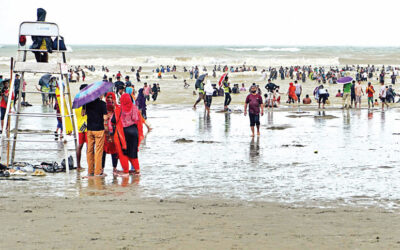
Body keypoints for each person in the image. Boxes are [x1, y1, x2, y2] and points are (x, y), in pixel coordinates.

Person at [111, 93, 143, 176]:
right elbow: (136, 119)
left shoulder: (119, 109)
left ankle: (125, 171)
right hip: (134, 131)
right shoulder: (134, 108)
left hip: (124, 132)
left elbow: (113, 121)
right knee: (133, 152)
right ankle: (137, 170)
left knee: (123, 152)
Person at [82, 94, 108, 177]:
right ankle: (98, 172)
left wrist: (84, 106)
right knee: (98, 151)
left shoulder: (87, 103)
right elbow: (105, 118)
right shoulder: (102, 104)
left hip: (89, 129)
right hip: (99, 129)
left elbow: (83, 114)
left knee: (89, 150)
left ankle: (90, 171)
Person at [103, 92, 119, 174]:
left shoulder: (116, 108)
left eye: (111, 97)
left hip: (114, 133)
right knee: (103, 151)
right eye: (108, 97)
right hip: (104, 133)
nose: (109, 99)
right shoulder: (103, 107)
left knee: (114, 151)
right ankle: (101, 169)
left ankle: (114, 168)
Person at [74, 84, 88, 170]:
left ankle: (78, 165)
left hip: (79, 125)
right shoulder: (86, 101)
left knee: (80, 146)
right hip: (86, 124)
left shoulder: (76, 100)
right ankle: (90, 165)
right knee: (88, 147)